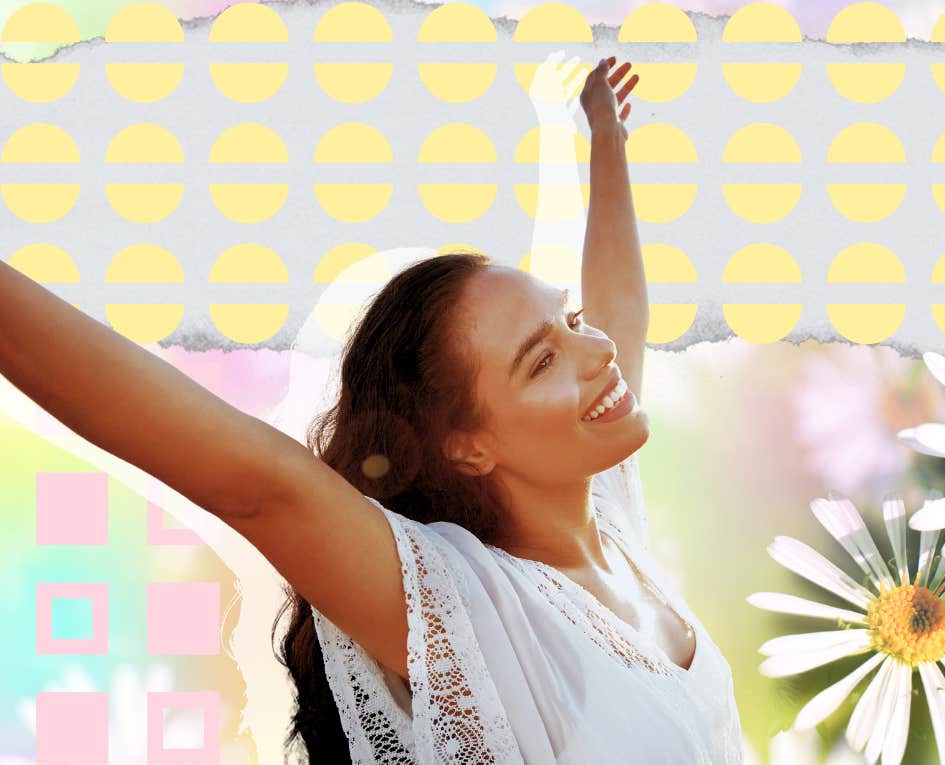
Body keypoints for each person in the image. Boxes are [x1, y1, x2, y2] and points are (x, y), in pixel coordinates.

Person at [0, 55, 744, 764]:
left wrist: (606, 134)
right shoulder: (470, 614)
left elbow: (623, 309)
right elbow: (260, 487)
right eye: (542, 358)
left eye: (572, 320)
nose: (600, 351)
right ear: (467, 446)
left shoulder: (607, 515)